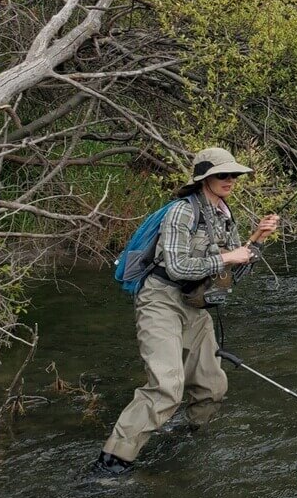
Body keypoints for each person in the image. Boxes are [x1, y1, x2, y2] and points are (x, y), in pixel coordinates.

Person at [94, 147, 280, 475]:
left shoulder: (224, 215)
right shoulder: (182, 212)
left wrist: (257, 242)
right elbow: (178, 266)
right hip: (160, 299)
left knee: (212, 386)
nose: (230, 180)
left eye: (234, 175)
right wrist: (227, 257)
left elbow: (231, 275)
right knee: (167, 387)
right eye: (223, 175)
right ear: (204, 178)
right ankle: (111, 465)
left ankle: (189, 441)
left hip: (196, 305)